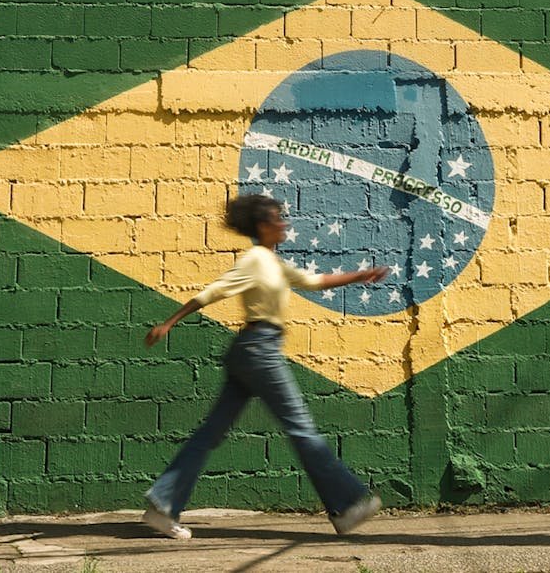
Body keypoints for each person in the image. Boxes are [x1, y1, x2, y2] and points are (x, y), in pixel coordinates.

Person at [142, 194, 389, 539]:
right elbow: (214, 292)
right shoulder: (256, 259)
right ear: (262, 226)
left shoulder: (273, 262)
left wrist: (360, 275)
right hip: (259, 350)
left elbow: (314, 281)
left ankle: (162, 508)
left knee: (210, 434)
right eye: (278, 218)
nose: (284, 223)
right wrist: (170, 321)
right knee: (301, 428)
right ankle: (347, 506)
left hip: (253, 350)